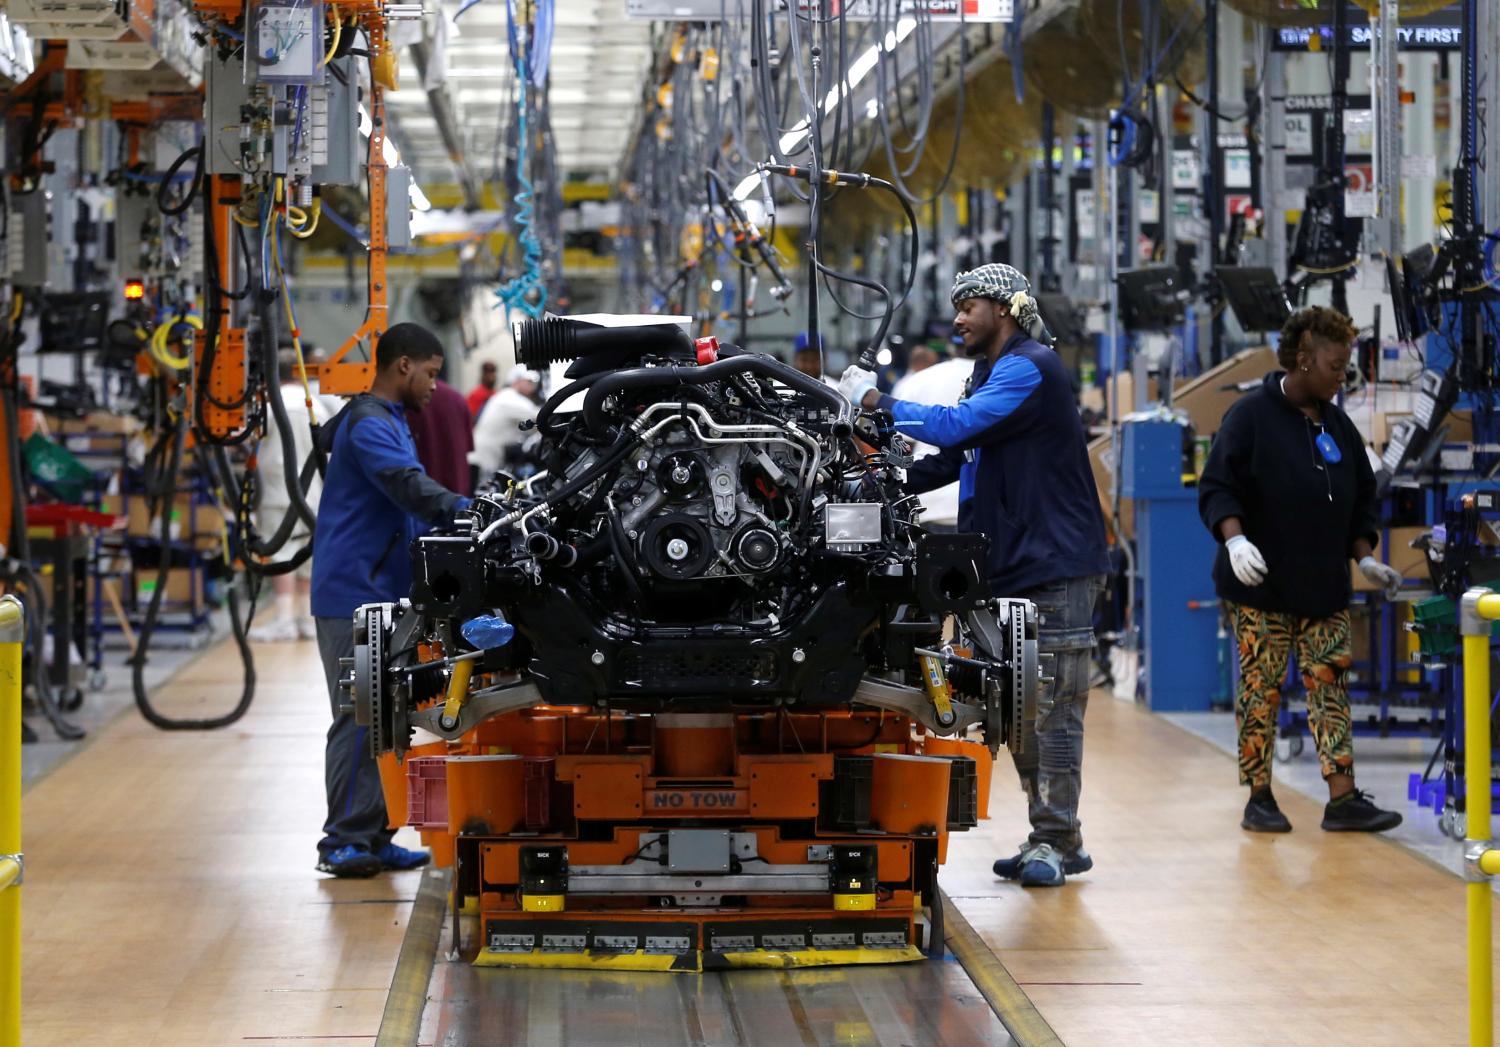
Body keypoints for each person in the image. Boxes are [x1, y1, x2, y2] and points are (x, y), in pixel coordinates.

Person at [838, 263, 1111, 888]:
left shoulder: (1029, 366)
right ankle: (1052, 833)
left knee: (1055, 709)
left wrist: (877, 400)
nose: (959, 318)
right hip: (1012, 564)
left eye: (970, 307)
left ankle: (1056, 839)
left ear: (1007, 310)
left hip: (1056, 565)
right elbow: (954, 457)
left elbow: (954, 428)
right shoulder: (991, 375)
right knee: (1020, 707)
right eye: (957, 307)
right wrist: (880, 482)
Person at [1198, 306, 1404, 834]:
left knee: (1330, 686)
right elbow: (1217, 486)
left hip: (1323, 588)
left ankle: (1342, 798)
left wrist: (1365, 556)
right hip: (1260, 586)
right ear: (1304, 359)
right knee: (1261, 689)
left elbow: (1361, 495)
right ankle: (1259, 796)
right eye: (1336, 365)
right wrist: (1235, 538)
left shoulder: (1337, 424)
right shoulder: (1250, 417)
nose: (1343, 375)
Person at [310, 323, 473, 877]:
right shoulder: (369, 425)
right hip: (352, 590)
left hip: (382, 589)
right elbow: (406, 486)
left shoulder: (392, 421)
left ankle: (376, 834)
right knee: (358, 715)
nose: (434, 386)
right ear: (403, 365)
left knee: (388, 716)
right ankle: (342, 841)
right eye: (430, 373)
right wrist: (469, 510)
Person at [249, 350, 337, 643]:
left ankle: (285, 619)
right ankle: (305, 620)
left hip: (277, 493)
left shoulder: (270, 404)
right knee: (306, 555)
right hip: (313, 494)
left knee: (280, 553)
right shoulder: (316, 407)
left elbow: (249, 440)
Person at [885, 350, 970, 530]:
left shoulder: (912, 382)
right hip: (971, 503)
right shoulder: (995, 378)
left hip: (926, 502)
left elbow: (900, 449)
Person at [408, 377, 475, 497]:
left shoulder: (411, 403)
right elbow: (468, 447)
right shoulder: (458, 399)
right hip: (456, 494)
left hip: (424, 495)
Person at [471, 364, 540, 478]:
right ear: (516, 381)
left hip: (488, 457)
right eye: (528, 382)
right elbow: (539, 416)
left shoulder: (505, 396)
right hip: (484, 460)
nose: (533, 386)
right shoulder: (509, 398)